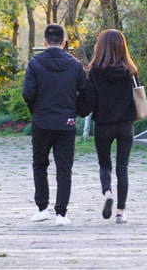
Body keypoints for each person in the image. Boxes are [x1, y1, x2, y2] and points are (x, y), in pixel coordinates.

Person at [22, 23, 87, 227]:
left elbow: (28, 92)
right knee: (64, 168)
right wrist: (76, 111)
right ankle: (61, 213)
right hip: (66, 123)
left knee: (40, 164)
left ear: (45, 42)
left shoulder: (35, 63)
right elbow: (85, 93)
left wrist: (35, 110)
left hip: (42, 122)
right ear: (64, 42)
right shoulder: (75, 65)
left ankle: (42, 209)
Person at [85, 29, 138, 224]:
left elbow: (89, 102)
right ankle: (120, 212)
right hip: (125, 125)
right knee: (122, 167)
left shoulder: (95, 73)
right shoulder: (131, 72)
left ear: (100, 47)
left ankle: (107, 192)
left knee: (104, 164)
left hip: (103, 125)